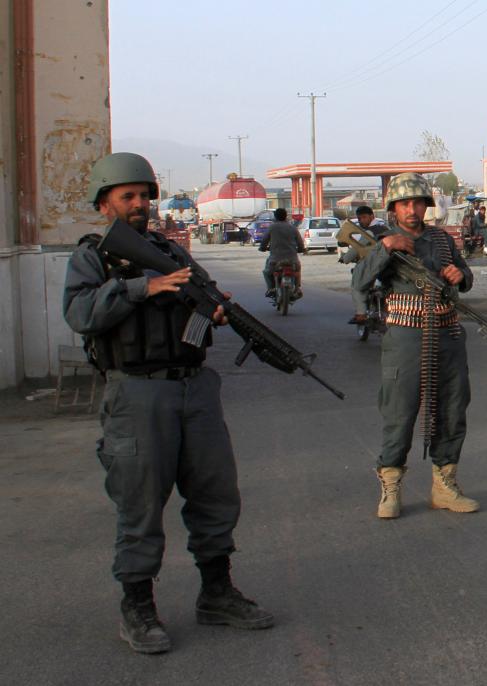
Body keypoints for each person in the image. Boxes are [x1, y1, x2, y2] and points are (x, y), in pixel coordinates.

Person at [63, 153, 273, 655]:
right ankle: (137, 607)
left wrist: (215, 310)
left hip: (193, 387)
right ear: (105, 203)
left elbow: (203, 295)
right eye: (127, 196)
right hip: (137, 393)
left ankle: (217, 593)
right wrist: (142, 286)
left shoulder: (167, 250)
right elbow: (80, 313)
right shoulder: (94, 256)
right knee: (139, 503)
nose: (139, 204)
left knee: (215, 493)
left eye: (144, 195)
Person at [352, 173, 479, 518]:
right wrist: (386, 248)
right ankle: (391, 486)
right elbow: (360, 281)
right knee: (400, 412)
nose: (412, 210)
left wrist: (460, 276)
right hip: (405, 336)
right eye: (404, 203)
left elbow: (465, 274)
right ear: (393, 208)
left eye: (418, 202)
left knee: (452, 410)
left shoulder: (441, 238)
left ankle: (444, 485)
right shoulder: (383, 241)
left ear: (426, 206)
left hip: (448, 331)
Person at [341, 205, 388, 324]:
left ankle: (361, 314)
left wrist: (345, 258)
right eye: (360, 218)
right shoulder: (385, 228)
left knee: (357, 287)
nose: (362, 220)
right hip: (389, 265)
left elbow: (356, 248)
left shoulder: (368, 232)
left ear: (372, 216)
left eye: (364, 217)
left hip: (374, 265)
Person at [258, 207, 305, 299]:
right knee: (297, 271)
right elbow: (300, 242)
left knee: (266, 272)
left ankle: (271, 288)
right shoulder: (292, 227)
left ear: (275, 217)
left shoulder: (272, 227)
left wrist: (262, 248)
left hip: (275, 260)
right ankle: (297, 288)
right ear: (285, 216)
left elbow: (264, 240)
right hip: (292, 260)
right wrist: (301, 249)